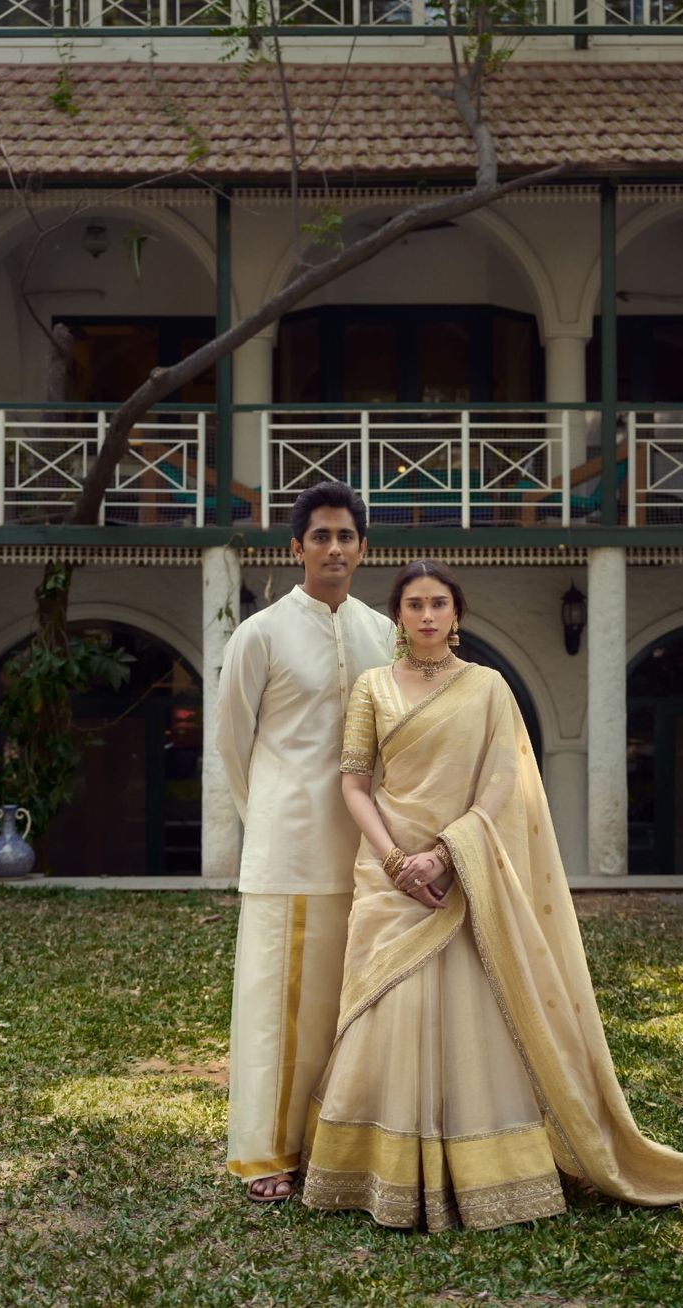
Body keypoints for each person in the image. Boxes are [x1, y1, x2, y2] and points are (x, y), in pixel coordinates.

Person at [302, 559, 683, 1231]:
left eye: (439, 602)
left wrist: (444, 853)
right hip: (390, 875)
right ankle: (374, 1170)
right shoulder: (373, 687)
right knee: (390, 1008)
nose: (428, 615)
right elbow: (355, 782)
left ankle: (486, 1170)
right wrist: (395, 859)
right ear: (399, 616)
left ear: (457, 614)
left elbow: (505, 780)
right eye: (415, 604)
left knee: (471, 1008)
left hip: (463, 868)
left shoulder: (490, 687)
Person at [216, 481, 394, 1203]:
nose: (333, 548)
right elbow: (231, 745)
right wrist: (270, 828)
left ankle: (334, 1144)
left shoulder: (381, 632)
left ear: (363, 548)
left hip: (366, 855)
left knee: (347, 1008)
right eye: (319, 536)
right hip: (287, 855)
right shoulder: (259, 633)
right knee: (277, 1011)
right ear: (296, 548)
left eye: (345, 535)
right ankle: (266, 1157)